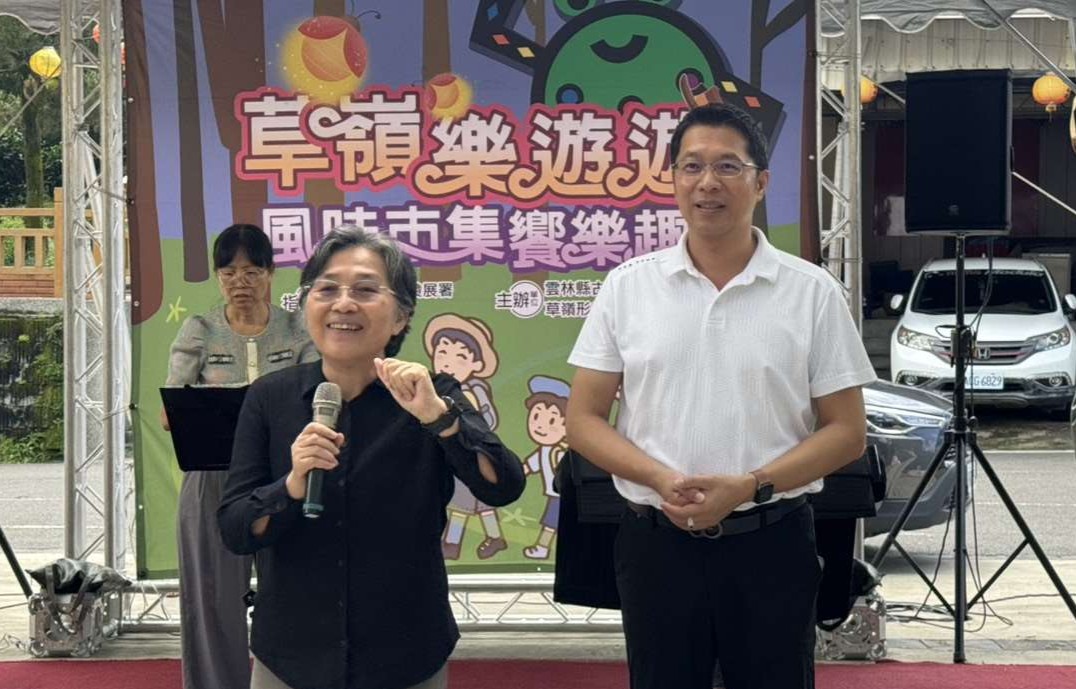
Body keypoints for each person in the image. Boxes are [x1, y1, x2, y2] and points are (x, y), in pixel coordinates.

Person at [565, 103, 876, 689]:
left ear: (761, 183)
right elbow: (583, 419)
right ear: (673, 180)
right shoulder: (628, 288)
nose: (707, 183)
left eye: (728, 166)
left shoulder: (811, 292)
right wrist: (658, 478)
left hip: (771, 543)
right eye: (692, 166)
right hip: (656, 545)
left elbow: (846, 432)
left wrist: (751, 485)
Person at [218, 227, 525, 689]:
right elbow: (235, 528)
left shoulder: (434, 394)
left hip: (405, 653)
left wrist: (440, 420)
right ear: (306, 306)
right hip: (292, 654)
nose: (343, 304)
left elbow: (502, 486)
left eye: (365, 290)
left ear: (401, 317)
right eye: (327, 289)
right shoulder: (269, 397)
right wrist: (293, 485)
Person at [163, 223, 318, 689]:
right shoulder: (200, 329)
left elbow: (316, 398)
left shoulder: (298, 328)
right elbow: (172, 413)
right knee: (211, 596)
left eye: (252, 272)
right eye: (229, 273)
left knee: (295, 586)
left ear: (271, 274)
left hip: (285, 478)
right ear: (218, 277)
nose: (240, 283)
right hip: (213, 475)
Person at [423, 314, 508, 560]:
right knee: (460, 506)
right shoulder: (430, 389)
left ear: (477, 364)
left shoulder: (475, 391)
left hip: (473, 457)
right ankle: (452, 542)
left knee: (483, 504)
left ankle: (493, 537)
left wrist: (458, 419)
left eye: (460, 356)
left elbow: (486, 422)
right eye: (442, 353)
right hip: (453, 460)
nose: (448, 362)